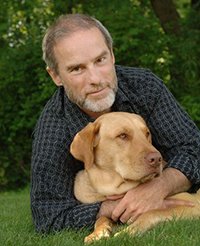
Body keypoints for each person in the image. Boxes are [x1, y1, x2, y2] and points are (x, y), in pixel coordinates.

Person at [31, 13, 200, 233]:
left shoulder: (144, 87)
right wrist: (112, 208)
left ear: (112, 55)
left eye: (100, 60)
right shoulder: (52, 130)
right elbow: (48, 216)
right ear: (56, 76)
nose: (95, 79)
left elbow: (194, 148)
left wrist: (158, 187)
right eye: (77, 68)